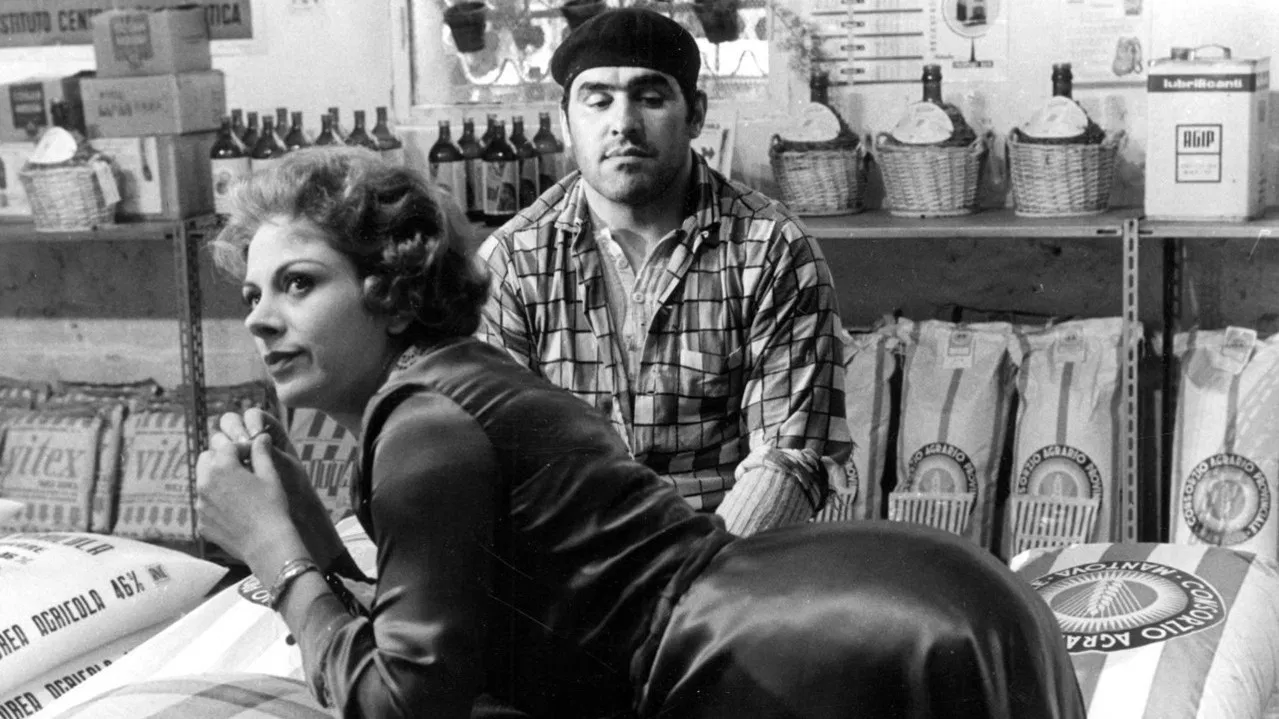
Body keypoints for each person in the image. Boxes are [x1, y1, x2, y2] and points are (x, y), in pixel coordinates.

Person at [195, 146, 1085, 718]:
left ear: (391, 290)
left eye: (299, 283)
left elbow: (403, 701)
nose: (261, 318)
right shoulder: (459, 381)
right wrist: (307, 533)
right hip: (887, 591)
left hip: (776, 651)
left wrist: (271, 553)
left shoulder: (420, 424)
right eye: (251, 294)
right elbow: (443, 633)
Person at [476, 8, 850, 536]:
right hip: (569, 559)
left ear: (696, 115)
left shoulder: (773, 249)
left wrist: (696, 573)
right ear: (566, 121)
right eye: (598, 101)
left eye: (650, 99)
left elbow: (789, 458)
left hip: (728, 557)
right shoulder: (513, 262)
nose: (623, 124)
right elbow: (500, 459)